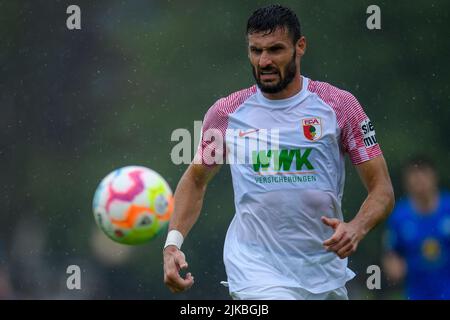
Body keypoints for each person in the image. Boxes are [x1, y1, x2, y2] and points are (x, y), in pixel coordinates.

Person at [163, 4, 394, 300]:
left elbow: (382, 190)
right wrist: (172, 244)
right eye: (256, 50)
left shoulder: (339, 106)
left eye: (275, 50)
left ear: (300, 47)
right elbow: (196, 180)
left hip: (325, 273)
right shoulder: (227, 113)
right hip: (255, 272)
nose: (264, 61)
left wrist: (356, 228)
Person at [383, 157, 450, 299]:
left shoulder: (448, 208)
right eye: (413, 175)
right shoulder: (399, 217)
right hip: (417, 294)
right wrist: (393, 267)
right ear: (406, 181)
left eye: (423, 173)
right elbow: (391, 254)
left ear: (434, 176)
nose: (419, 179)